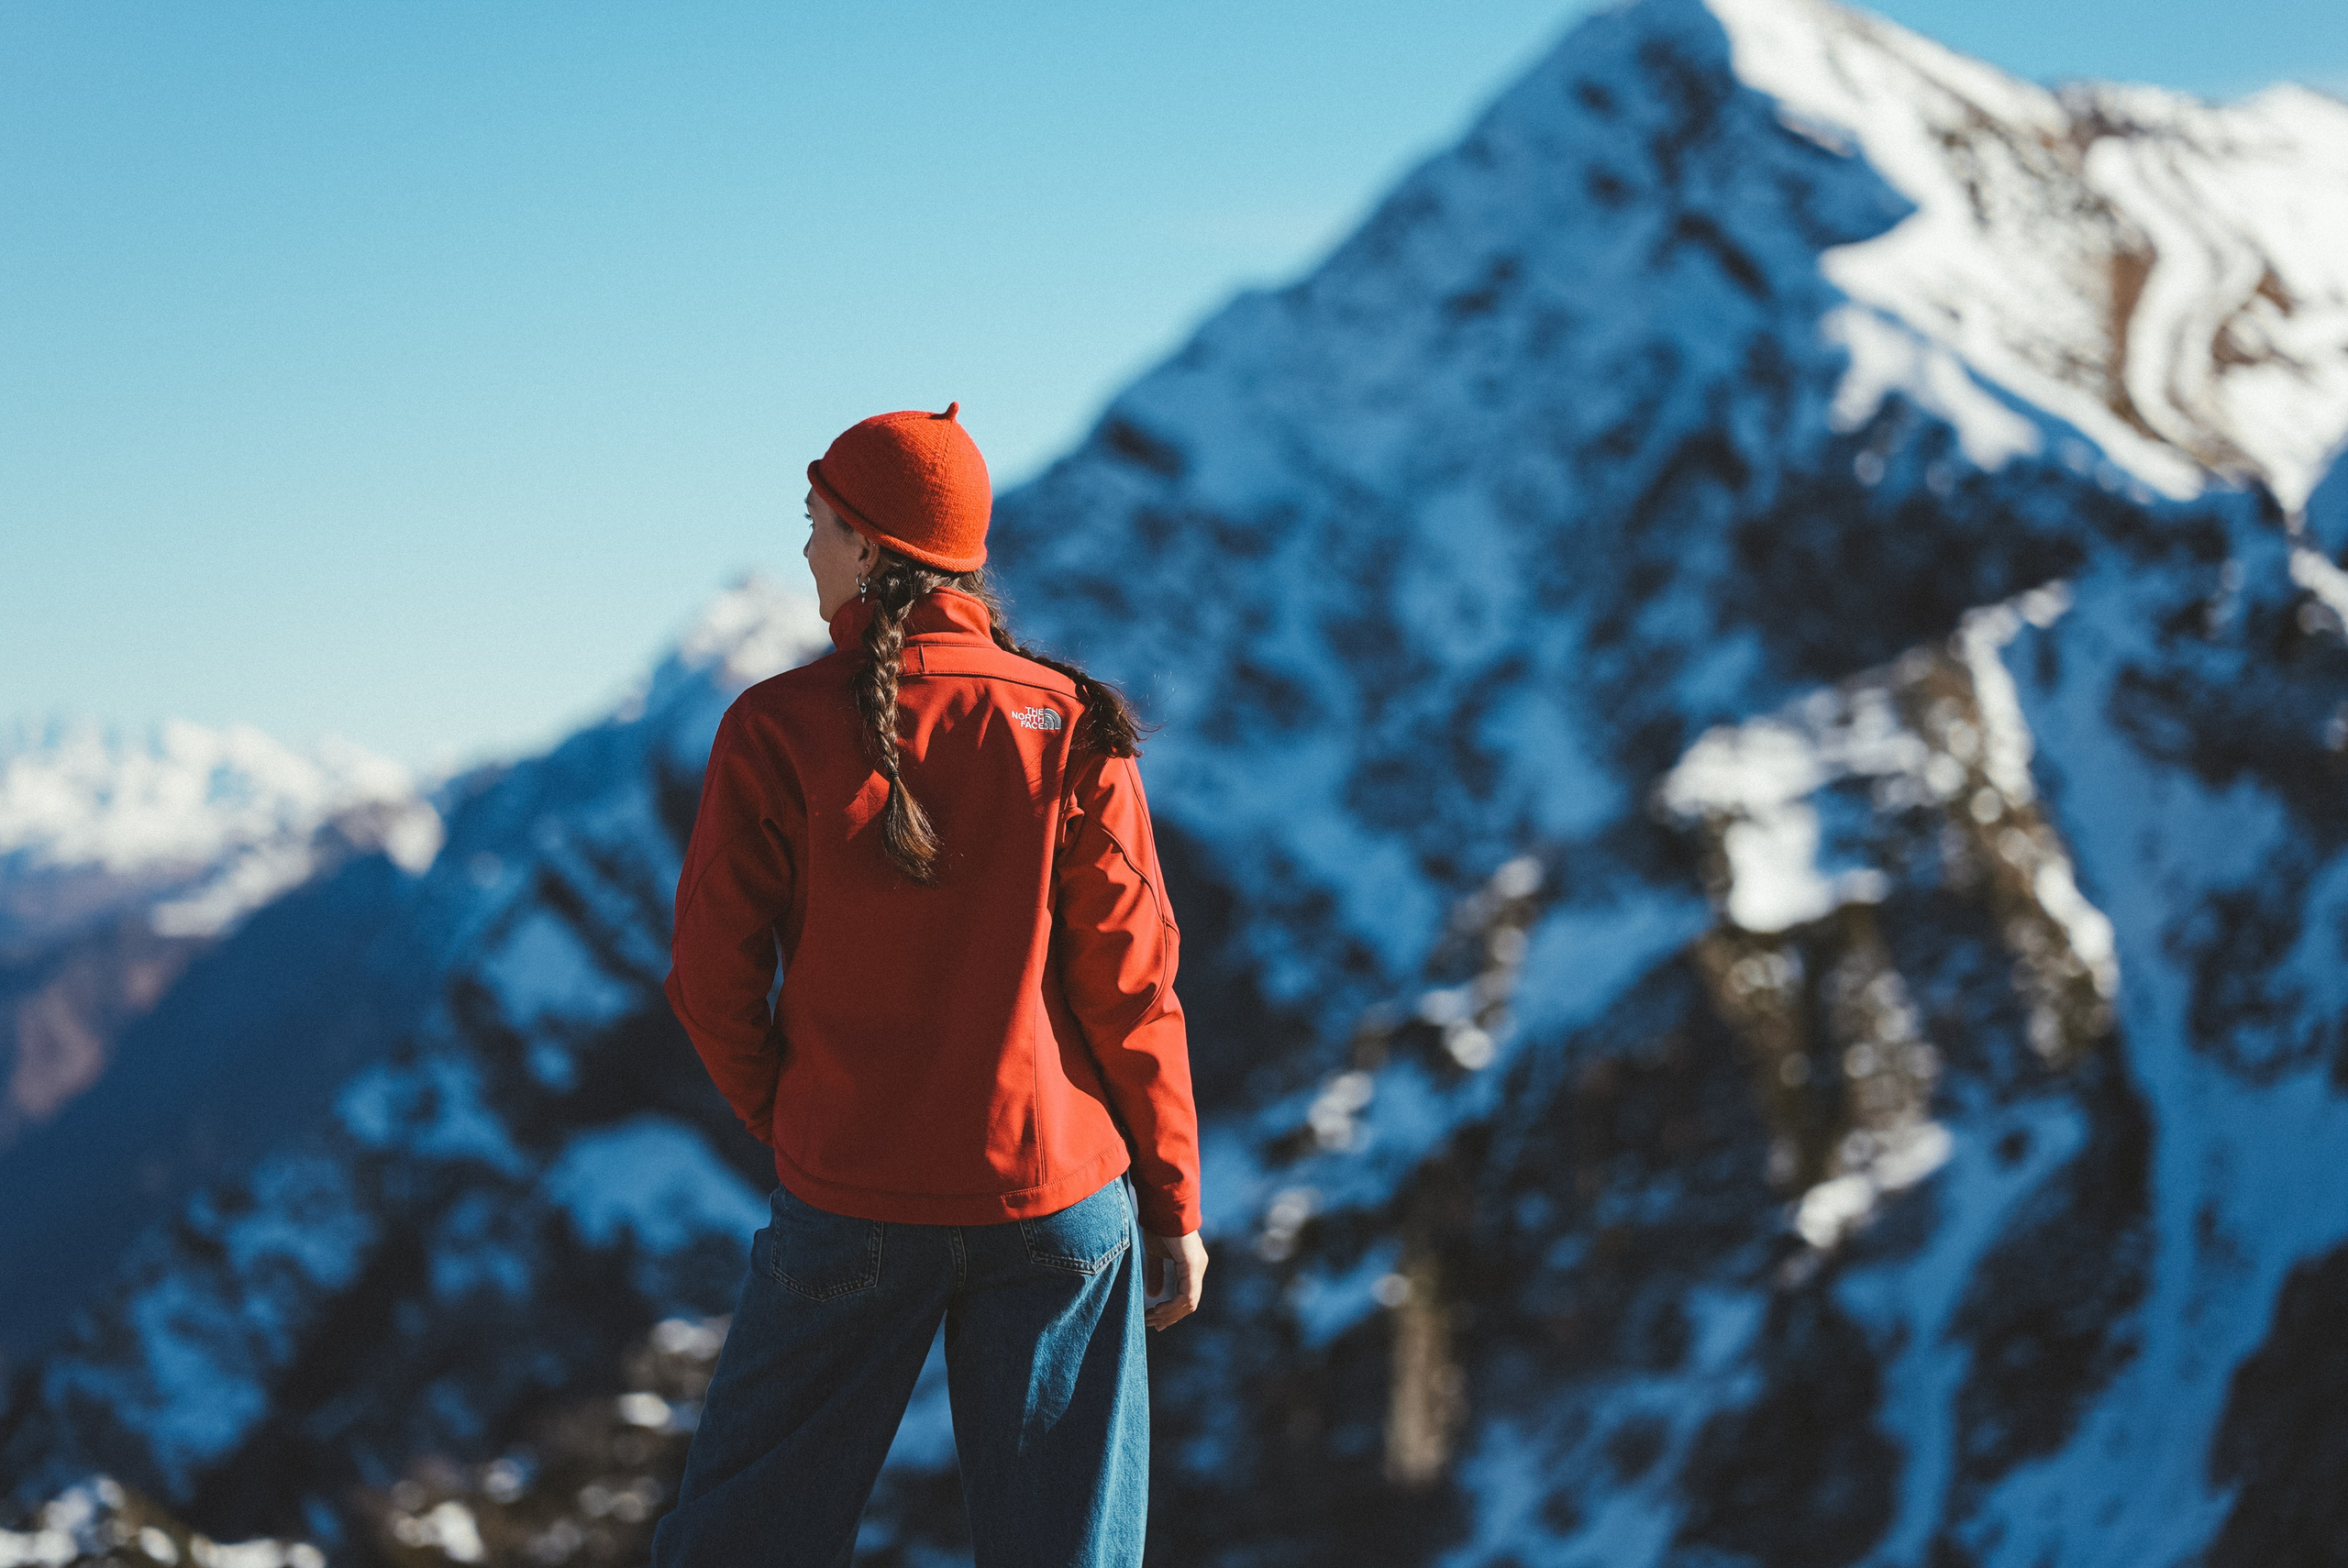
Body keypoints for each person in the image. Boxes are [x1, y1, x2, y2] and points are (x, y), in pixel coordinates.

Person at [653, 403, 1207, 1568]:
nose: (806, 547)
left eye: (816, 522)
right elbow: (1133, 991)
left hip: (848, 1191)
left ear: (868, 544)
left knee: (740, 1539)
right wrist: (1174, 1204)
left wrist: (795, 1119)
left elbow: (710, 977)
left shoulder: (771, 728)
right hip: (1055, 1195)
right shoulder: (1071, 726)